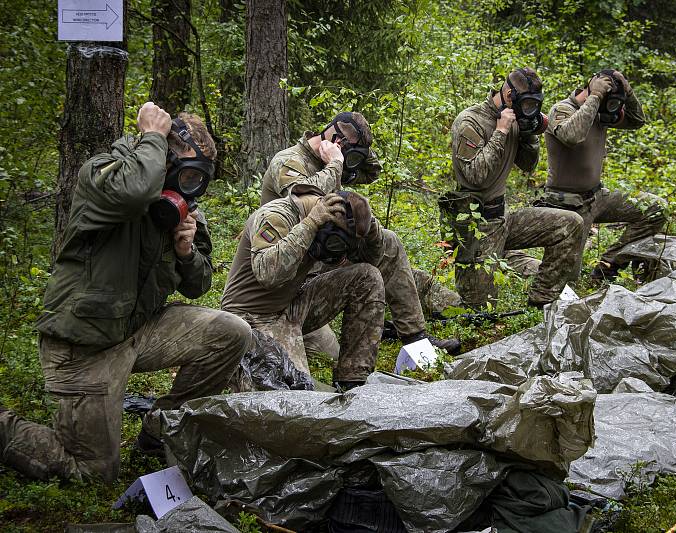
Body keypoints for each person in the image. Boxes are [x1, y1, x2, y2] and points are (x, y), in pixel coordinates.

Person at [0, 103, 251, 483]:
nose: (188, 188)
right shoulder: (104, 174)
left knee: (231, 332)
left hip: (136, 330)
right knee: (93, 473)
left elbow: (198, 284)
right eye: (184, 174)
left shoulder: (174, 206)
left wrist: (185, 251)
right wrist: (152, 134)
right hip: (84, 346)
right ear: (160, 156)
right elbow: (134, 192)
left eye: (197, 179)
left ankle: (159, 428)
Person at [258, 112, 459, 356]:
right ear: (334, 138)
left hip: (328, 256)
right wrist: (336, 164)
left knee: (388, 242)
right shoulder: (289, 161)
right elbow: (304, 198)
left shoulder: (333, 157)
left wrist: (357, 149)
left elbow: (372, 172)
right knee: (328, 356)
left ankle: (416, 340)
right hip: (296, 273)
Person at [222, 189, 445, 389]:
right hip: (250, 317)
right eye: (337, 246)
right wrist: (310, 225)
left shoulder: (336, 213)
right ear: (325, 228)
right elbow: (268, 275)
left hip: (292, 307)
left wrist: (368, 225)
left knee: (367, 276)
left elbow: (376, 256)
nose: (340, 256)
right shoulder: (276, 217)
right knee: (293, 394)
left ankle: (353, 381)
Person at [442, 67, 584, 309]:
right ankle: (499, 257)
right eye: (526, 104)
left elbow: (528, 165)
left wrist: (529, 134)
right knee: (480, 309)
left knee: (571, 224)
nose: (528, 109)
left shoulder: (517, 118)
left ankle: (542, 301)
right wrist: (501, 131)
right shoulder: (470, 121)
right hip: (474, 225)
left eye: (533, 105)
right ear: (509, 94)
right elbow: (476, 176)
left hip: (502, 219)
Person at [543, 69, 667, 280]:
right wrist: (595, 96)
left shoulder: (602, 113)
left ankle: (609, 264)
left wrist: (628, 92)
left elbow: (637, 121)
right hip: (567, 205)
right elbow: (573, 136)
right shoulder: (562, 109)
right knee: (566, 279)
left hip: (597, 197)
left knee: (655, 208)